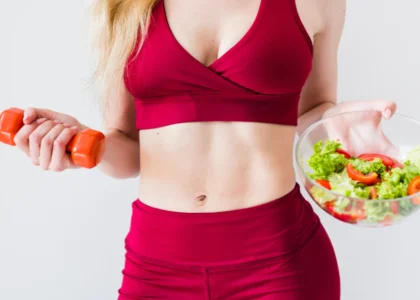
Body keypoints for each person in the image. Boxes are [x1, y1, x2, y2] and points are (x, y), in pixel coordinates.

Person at [13, 0, 397, 299]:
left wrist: (339, 122)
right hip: (157, 264)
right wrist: (83, 143)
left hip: (278, 262)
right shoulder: (128, 6)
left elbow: (313, 111)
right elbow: (128, 148)